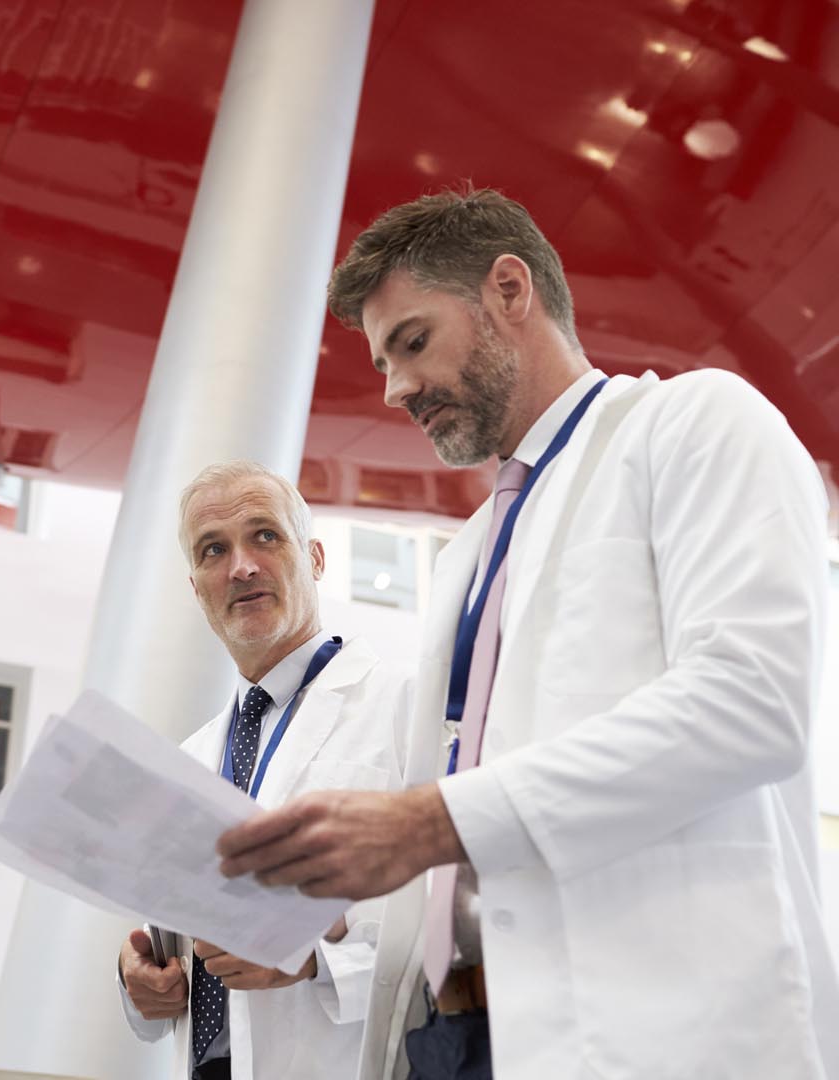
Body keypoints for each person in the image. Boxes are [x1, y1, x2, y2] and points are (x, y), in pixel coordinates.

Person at [215, 188, 838, 1080]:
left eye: (413, 342)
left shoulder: (697, 423)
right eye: (386, 359)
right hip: (450, 1038)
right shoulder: (471, 554)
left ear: (511, 290)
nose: (395, 389)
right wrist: (319, 942)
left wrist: (431, 821)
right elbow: (465, 815)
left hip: (655, 1029)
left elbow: (753, 703)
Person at [117, 460, 412, 1080]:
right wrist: (142, 980)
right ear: (198, 590)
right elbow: (173, 940)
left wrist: (318, 961)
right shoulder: (191, 758)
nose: (241, 566)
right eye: (213, 550)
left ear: (316, 559)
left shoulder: (405, 709)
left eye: (265, 536)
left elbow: (463, 914)